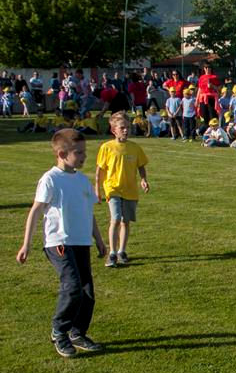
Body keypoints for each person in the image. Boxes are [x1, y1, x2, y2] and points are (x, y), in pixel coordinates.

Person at [16, 129, 107, 357]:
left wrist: (98, 239)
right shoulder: (50, 179)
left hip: (81, 242)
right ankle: (59, 331)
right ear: (62, 154)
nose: (84, 156)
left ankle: (77, 332)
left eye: (84, 151)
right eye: (79, 153)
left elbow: (88, 213)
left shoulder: (82, 180)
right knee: (73, 287)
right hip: (59, 243)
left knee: (87, 292)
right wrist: (26, 244)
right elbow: (36, 211)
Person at [95, 112, 150, 268]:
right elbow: (99, 171)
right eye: (122, 128)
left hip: (130, 190)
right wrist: (97, 189)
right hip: (112, 188)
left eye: (128, 128)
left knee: (125, 221)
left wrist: (144, 180)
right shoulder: (107, 147)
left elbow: (141, 165)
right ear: (114, 130)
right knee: (116, 219)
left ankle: (122, 251)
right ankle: (112, 254)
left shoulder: (135, 148)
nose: (126, 130)